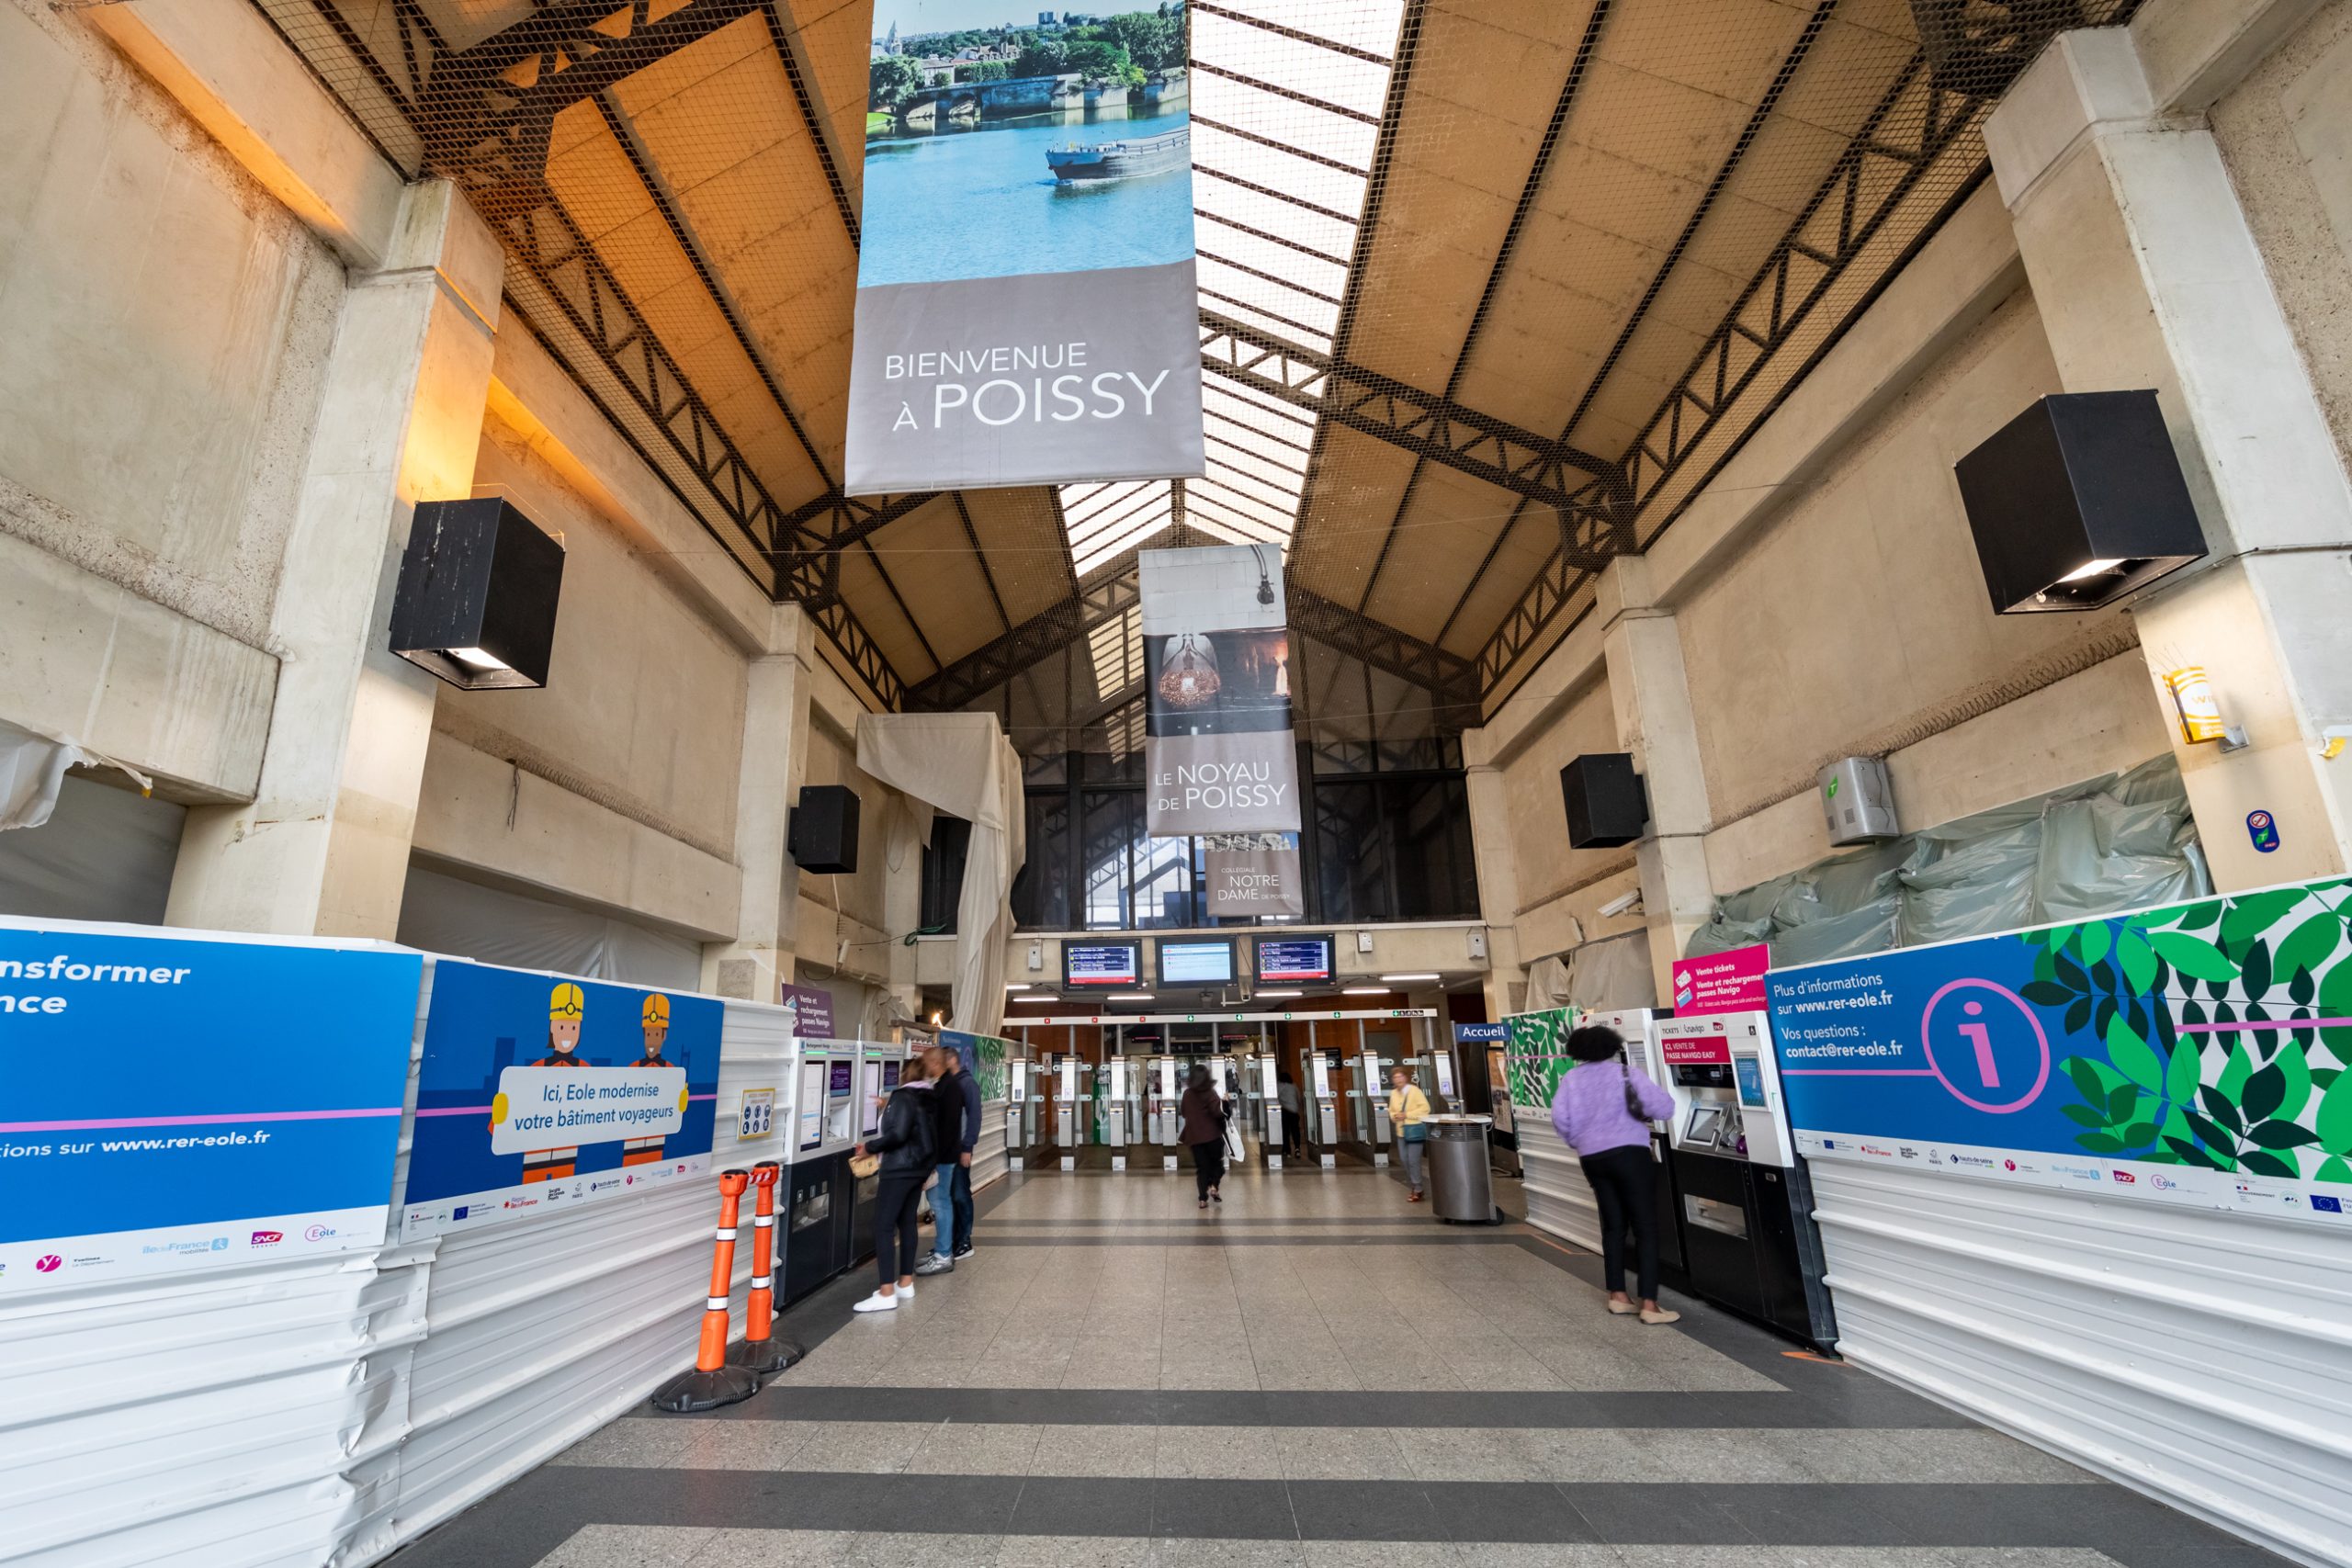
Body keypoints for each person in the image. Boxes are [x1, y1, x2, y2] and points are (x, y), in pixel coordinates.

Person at [1549, 1024, 1679, 1325]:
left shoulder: (1570, 1080)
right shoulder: (1626, 1074)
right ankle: (1649, 1305)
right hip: (1630, 1154)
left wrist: (1581, 1141)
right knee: (1645, 1226)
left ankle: (1618, 1296)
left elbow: (1560, 1119)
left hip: (1592, 1158)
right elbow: (1663, 1108)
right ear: (1612, 1047)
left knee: (1613, 1226)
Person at [853, 1053, 937, 1313]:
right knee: (907, 1222)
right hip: (919, 1169)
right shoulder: (930, 1098)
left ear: (904, 1075)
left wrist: (869, 1147)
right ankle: (905, 1283)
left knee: (883, 1226)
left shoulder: (902, 1096)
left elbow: (898, 1134)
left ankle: (886, 1292)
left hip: (899, 1169)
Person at [916, 1044, 982, 1275]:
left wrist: (967, 1148)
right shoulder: (947, 1085)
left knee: (960, 1195)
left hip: (956, 1151)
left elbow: (973, 1117)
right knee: (950, 1197)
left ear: (950, 1060)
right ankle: (949, 1245)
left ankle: (962, 1242)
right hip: (952, 1151)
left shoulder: (964, 1084)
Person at [1178, 1062, 1227, 1208]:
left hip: (1194, 1137)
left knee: (1202, 1168)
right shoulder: (1210, 1092)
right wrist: (1224, 1102)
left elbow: (1183, 1112)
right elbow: (1217, 1113)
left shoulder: (1187, 1093)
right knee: (1217, 1164)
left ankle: (1202, 1199)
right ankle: (1214, 1187)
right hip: (1212, 1136)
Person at [1387, 1064, 1431, 1202]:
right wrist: (1394, 1116)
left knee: (1413, 1160)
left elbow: (1425, 1108)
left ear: (1405, 1078)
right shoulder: (1393, 1093)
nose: (1398, 1079)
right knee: (1404, 1160)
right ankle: (1415, 1185)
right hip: (1401, 1132)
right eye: (1395, 1077)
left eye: (1400, 1076)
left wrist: (1407, 1115)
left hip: (1414, 1130)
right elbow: (1391, 1110)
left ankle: (1417, 1188)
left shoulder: (1414, 1091)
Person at [1275, 1066, 1303, 1156]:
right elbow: (1299, 1098)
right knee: (1295, 1131)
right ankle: (1297, 1149)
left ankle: (1287, 1151)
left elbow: (1275, 1096)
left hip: (1285, 1111)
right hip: (1294, 1112)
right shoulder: (1294, 1086)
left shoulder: (1280, 1085)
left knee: (1285, 1132)